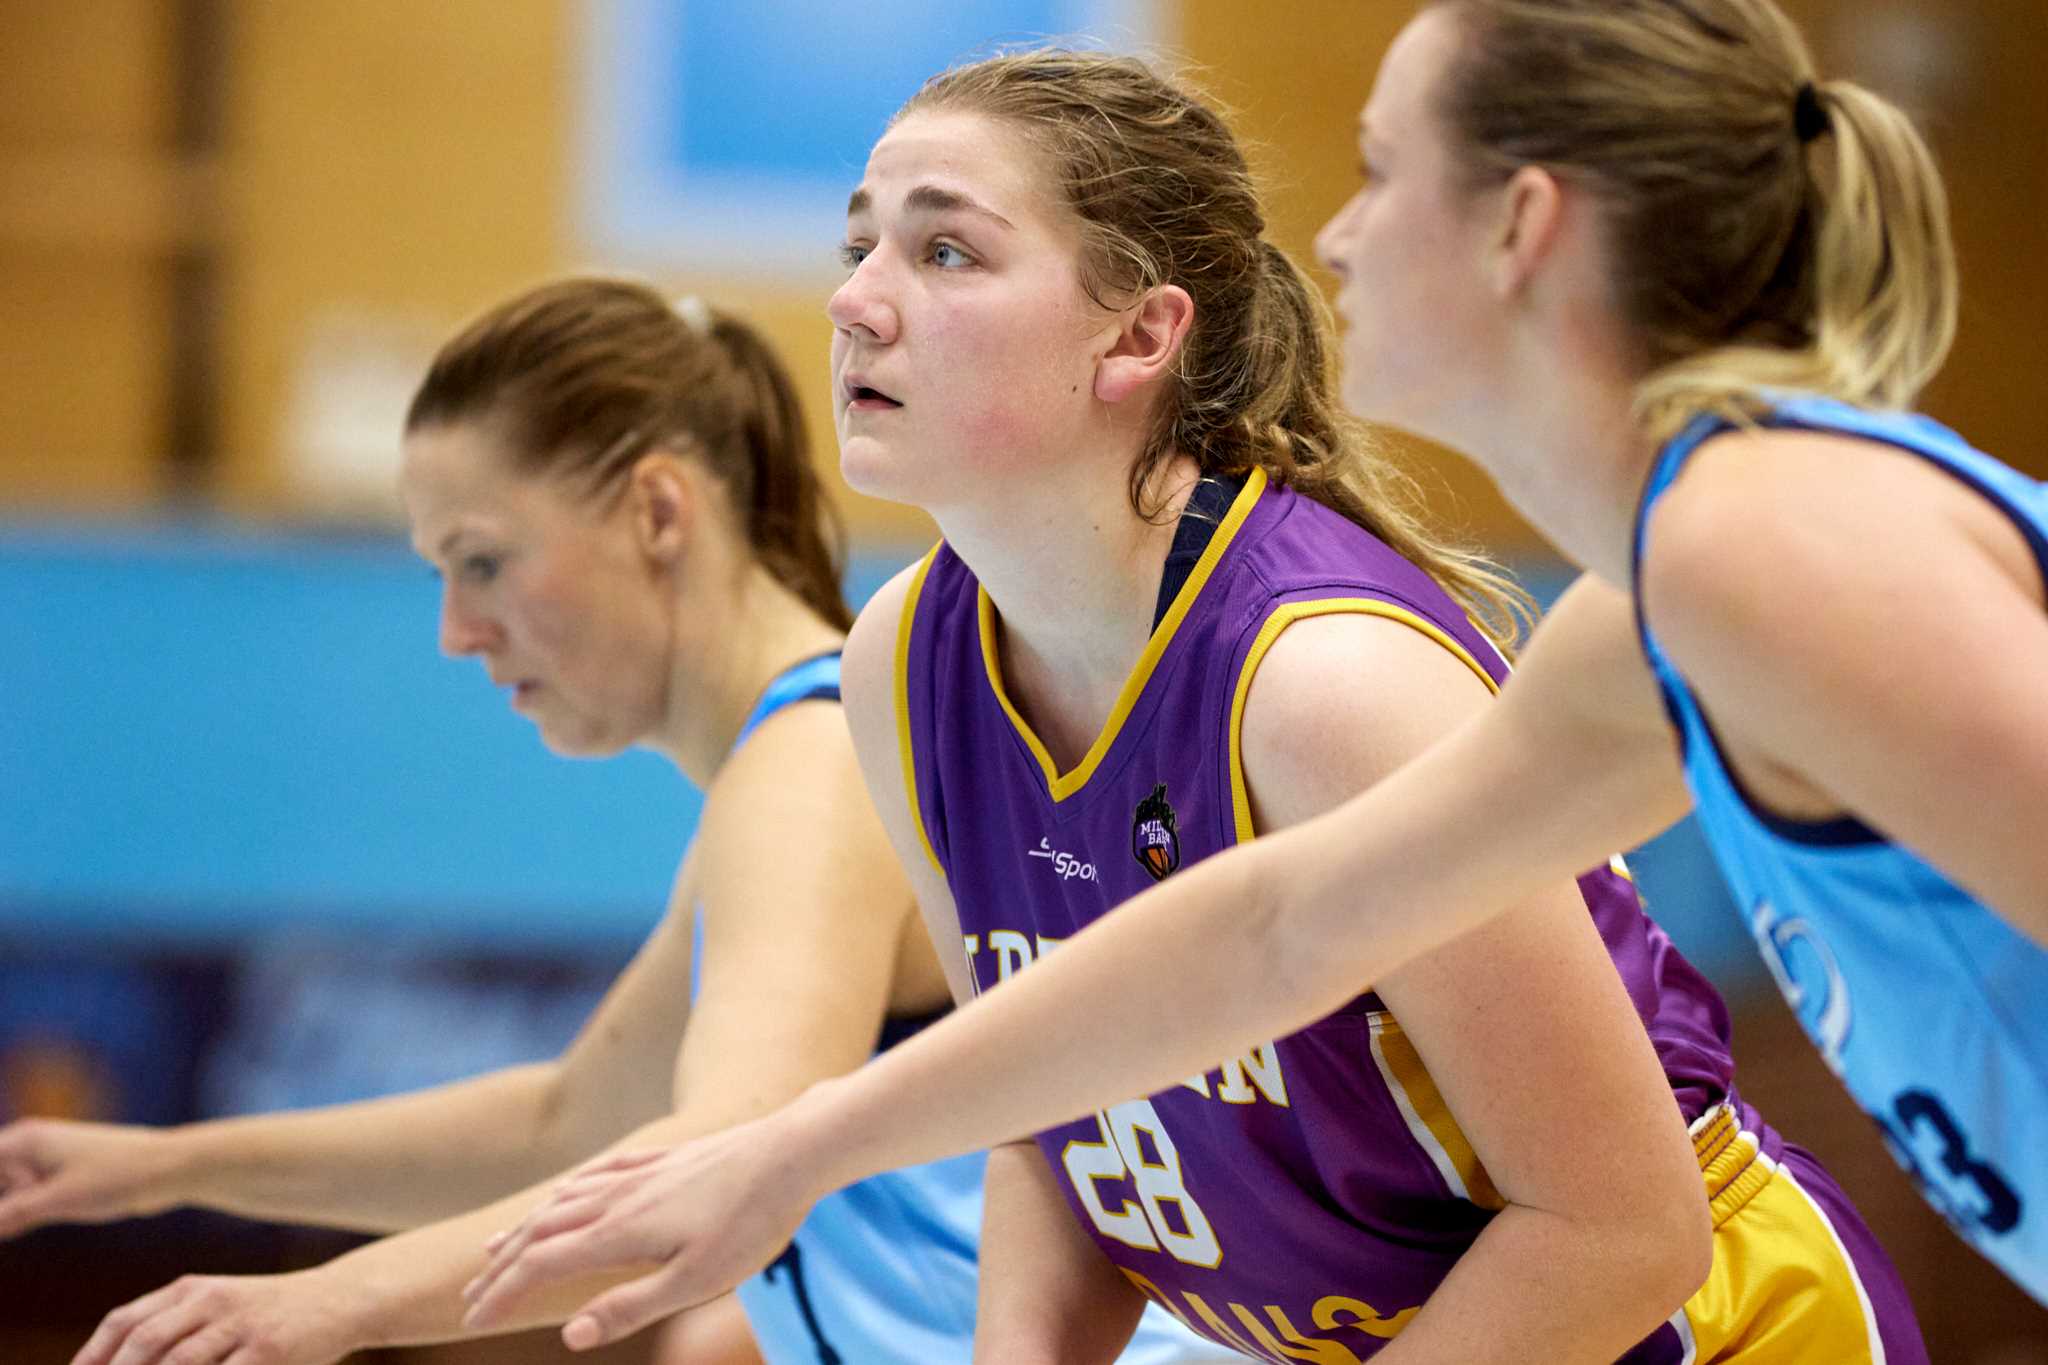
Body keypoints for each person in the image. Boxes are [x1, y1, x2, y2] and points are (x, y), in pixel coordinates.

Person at [465, 49, 1933, 1362]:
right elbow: (1060, 1101)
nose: (854, 300)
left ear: (1136, 337)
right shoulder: (902, 661)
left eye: (946, 250)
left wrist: (788, 1152)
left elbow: (1619, 1235)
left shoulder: (1330, 680)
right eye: (860, 246)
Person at [0, 278, 1227, 1364]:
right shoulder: (795, 754)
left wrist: (333, 1303)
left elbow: (716, 1170)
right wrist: (161, 1167)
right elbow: (577, 1119)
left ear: (655, 510)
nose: (456, 632)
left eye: (482, 562)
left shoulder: (811, 763)